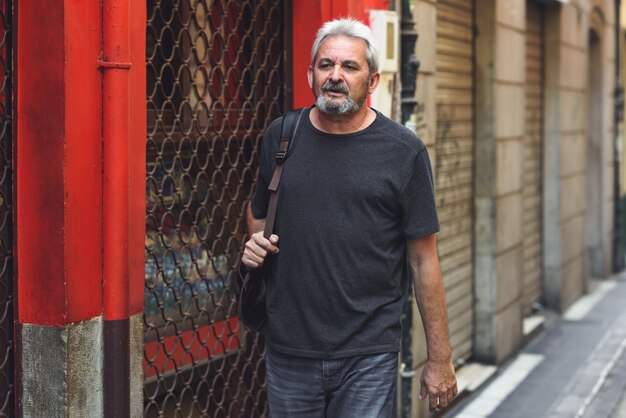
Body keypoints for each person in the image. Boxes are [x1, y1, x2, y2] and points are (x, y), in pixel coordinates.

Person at [241, 18, 457, 417]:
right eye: (326, 65)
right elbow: (257, 210)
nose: (335, 76)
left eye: (349, 67)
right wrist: (257, 241)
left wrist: (440, 359)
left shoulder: (403, 151)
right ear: (311, 74)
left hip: (368, 352)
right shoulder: (282, 136)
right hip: (290, 347)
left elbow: (423, 258)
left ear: (372, 81)